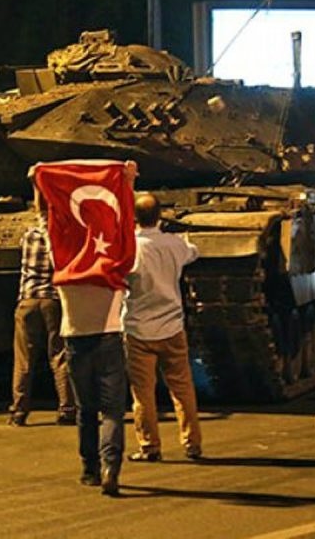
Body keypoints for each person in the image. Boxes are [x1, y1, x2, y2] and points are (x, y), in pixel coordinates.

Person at [33, 160, 138, 497]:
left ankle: (88, 469)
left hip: (75, 343)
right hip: (108, 342)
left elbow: (48, 222)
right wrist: (128, 183)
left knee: (85, 410)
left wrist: (39, 183)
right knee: (112, 411)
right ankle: (111, 467)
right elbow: (125, 230)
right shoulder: (112, 265)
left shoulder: (64, 265)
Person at [123, 193, 203, 462]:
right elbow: (193, 253)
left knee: (142, 393)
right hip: (172, 327)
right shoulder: (174, 244)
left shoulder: (128, 247)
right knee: (182, 388)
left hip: (137, 330)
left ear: (134, 217)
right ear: (159, 216)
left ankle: (149, 446)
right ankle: (192, 443)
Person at [7, 196, 76, 427]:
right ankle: (67, 408)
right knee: (58, 355)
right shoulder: (61, 237)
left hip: (27, 300)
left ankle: (18, 411)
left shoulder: (28, 236)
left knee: (24, 360)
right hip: (53, 301)